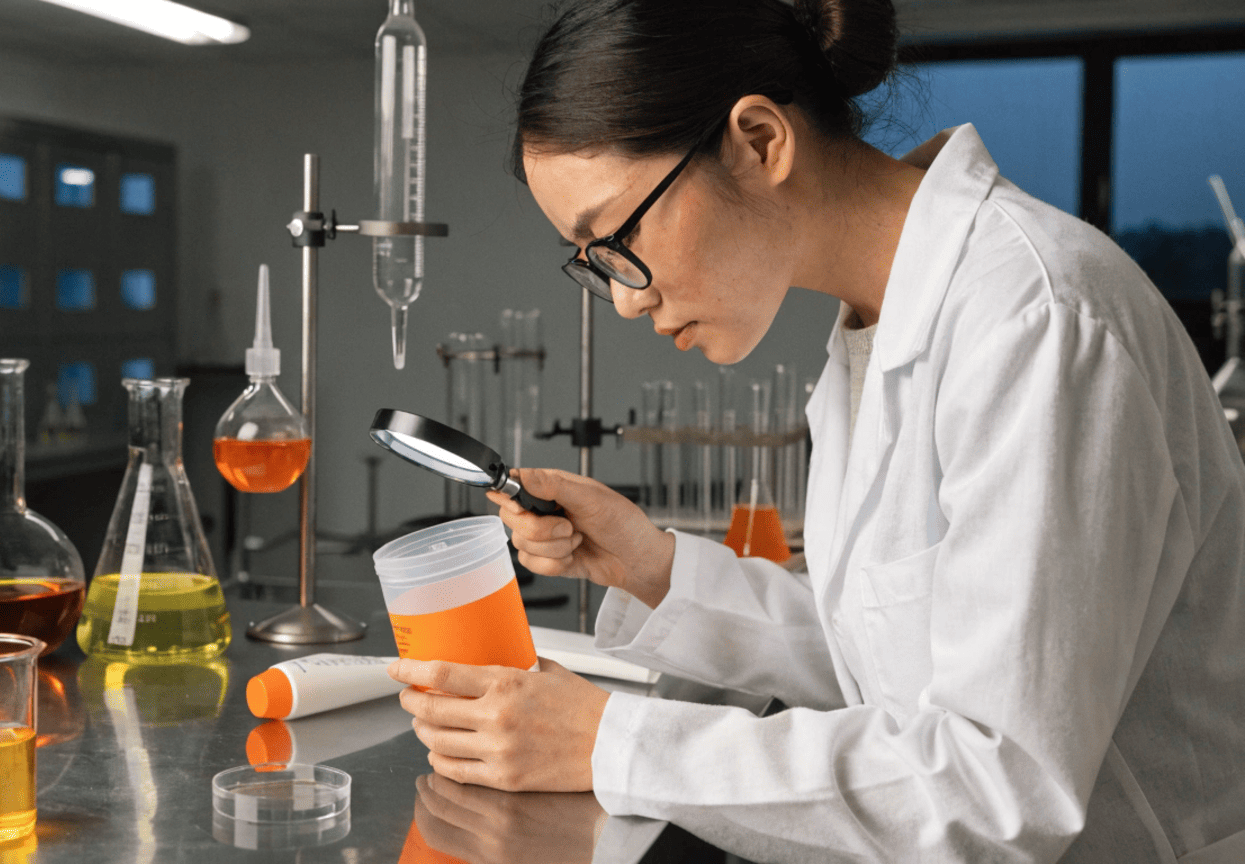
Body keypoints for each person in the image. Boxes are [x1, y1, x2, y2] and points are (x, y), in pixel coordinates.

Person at [383, 0, 1245, 861]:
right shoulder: (878, 328)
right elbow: (889, 661)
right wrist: (652, 565)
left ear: (760, 141)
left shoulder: (1035, 321)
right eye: (593, 260)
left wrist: (610, 740)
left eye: (620, 236)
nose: (625, 295)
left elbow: (998, 787)